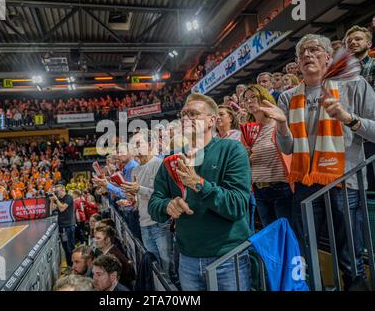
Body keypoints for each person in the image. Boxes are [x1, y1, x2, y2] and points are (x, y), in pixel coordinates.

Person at [261, 34, 375, 290]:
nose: (308, 56)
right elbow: (287, 148)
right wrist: (281, 125)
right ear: (298, 64)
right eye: (302, 53)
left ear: (327, 57)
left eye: (314, 50)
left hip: (345, 184)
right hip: (305, 183)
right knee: (306, 251)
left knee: (350, 256)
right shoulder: (288, 97)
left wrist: (348, 118)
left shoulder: (354, 85)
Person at [148, 93, 252, 291]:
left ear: (212, 120)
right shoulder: (172, 159)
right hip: (187, 258)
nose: (186, 118)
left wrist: (198, 184)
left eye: (193, 114)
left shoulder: (231, 150)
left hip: (228, 257)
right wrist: (167, 206)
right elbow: (154, 202)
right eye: (183, 114)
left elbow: (238, 206)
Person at [121, 129, 173, 275]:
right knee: (155, 270)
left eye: (138, 143)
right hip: (144, 223)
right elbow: (138, 200)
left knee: (168, 269)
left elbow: (163, 196)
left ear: (150, 145)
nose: (134, 147)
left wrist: (139, 189)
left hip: (160, 223)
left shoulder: (159, 164)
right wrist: (132, 198)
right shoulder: (135, 171)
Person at [243, 84, 293, 227]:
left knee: (286, 235)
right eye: (246, 99)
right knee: (270, 238)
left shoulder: (278, 123)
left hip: (281, 188)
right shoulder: (248, 131)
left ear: (264, 98)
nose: (249, 101)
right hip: (259, 190)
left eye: (253, 97)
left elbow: (289, 149)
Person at [344, 25, 375, 191]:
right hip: (352, 136)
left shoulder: (373, 65)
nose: (353, 42)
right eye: (349, 41)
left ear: (369, 44)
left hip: (370, 131)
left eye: (358, 39)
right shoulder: (342, 73)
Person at [49, 184, 76, 273]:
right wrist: (52, 201)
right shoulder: (59, 199)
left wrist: (56, 199)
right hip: (62, 226)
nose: (57, 193)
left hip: (68, 226)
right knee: (65, 248)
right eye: (56, 191)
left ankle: (74, 267)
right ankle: (70, 266)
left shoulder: (69, 197)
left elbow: (62, 209)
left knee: (70, 247)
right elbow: (51, 210)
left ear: (63, 189)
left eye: (58, 191)